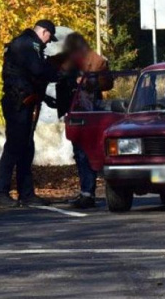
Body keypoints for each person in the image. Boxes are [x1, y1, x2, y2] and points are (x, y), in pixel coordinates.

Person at [0, 19, 64, 208]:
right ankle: (1, 193)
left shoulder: (25, 44)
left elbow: (29, 76)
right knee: (15, 147)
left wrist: (46, 97)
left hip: (23, 101)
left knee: (26, 148)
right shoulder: (28, 44)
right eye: (49, 38)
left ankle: (26, 193)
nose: (48, 42)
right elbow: (38, 71)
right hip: (18, 104)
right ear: (44, 32)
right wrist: (57, 73)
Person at [54, 33, 110, 209]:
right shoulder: (70, 63)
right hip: (78, 113)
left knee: (85, 153)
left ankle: (88, 193)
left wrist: (87, 81)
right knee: (81, 153)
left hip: (87, 113)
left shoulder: (94, 61)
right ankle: (87, 192)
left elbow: (106, 82)